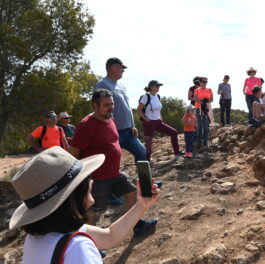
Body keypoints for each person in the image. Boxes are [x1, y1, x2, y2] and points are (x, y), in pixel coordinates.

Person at [9, 147, 159, 264]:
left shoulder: (40, 235)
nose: (92, 181)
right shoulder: (77, 248)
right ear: (72, 195)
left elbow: (109, 236)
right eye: (86, 177)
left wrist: (142, 205)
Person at [69, 89, 157, 237]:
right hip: (97, 178)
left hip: (115, 173)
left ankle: (138, 225)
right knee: (93, 212)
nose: (111, 107)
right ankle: (90, 243)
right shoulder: (86, 125)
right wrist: (82, 180)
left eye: (112, 104)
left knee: (132, 194)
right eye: (106, 105)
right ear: (95, 106)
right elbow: (73, 153)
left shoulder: (110, 118)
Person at [94, 57, 146, 163]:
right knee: (111, 160)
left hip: (128, 131)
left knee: (142, 152)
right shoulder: (102, 84)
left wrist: (132, 125)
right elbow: (99, 109)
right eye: (121, 68)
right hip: (113, 132)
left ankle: (144, 179)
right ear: (114, 68)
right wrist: (107, 129)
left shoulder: (121, 85)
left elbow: (126, 106)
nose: (123, 70)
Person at [137, 80, 183, 161]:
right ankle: (146, 163)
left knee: (174, 132)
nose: (158, 87)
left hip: (158, 122)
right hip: (149, 123)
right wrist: (146, 119)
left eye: (159, 86)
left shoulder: (158, 96)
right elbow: (138, 110)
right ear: (151, 86)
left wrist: (160, 117)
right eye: (156, 86)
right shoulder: (146, 97)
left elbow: (158, 109)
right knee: (148, 144)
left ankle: (177, 153)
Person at [194, 77, 213, 147]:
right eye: (204, 81)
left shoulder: (209, 90)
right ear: (200, 82)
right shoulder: (196, 90)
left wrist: (206, 101)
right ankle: (199, 142)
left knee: (206, 126)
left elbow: (212, 99)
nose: (205, 83)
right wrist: (203, 100)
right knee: (199, 126)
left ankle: (205, 143)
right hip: (198, 108)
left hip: (206, 109)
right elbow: (195, 99)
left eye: (206, 81)